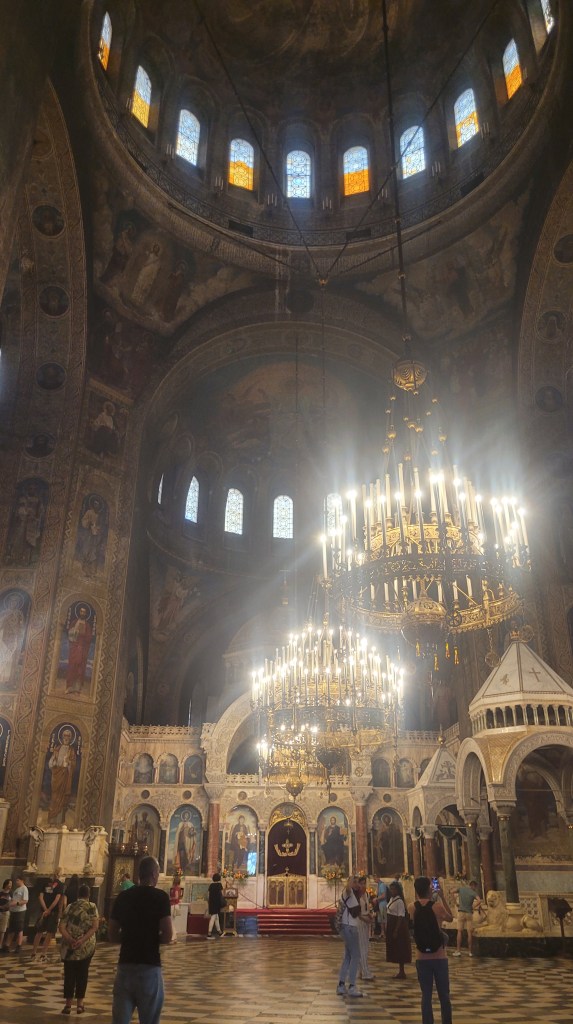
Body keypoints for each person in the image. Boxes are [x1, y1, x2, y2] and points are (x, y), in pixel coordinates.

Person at [108, 855, 172, 1024]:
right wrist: (150, 939)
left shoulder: (123, 897)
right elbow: (168, 934)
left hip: (125, 965)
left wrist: (130, 938)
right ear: (154, 874)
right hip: (149, 966)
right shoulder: (160, 897)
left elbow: (112, 933)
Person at [408, 876, 454, 1024]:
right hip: (439, 956)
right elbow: (451, 918)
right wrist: (442, 897)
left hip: (421, 956)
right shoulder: (437, 907)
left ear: (416, 890)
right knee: (444, 995)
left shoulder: (411, 907)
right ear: (429, 889)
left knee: (426, 995)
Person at [59, 883, 99, 1015]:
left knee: (69, 974)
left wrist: (70, 939)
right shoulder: (92, 907)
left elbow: (61, 927)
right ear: (88, 895)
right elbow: (94, 927)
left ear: (78, 894)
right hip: (86, 947)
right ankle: (80, 1005)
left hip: (69, 947)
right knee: (82, 974)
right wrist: (82, 940)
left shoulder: (70, 906)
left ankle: (68, 1005)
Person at [336, 877, 364, 998]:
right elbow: (348, 887)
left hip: (348, 927)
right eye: (355, 882)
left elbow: (356, 913)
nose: (357, 884)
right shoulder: (348, 891)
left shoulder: (354, 894)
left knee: (348, 956)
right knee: (356, 956)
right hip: (350, 928)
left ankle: (341, 985)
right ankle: (352, 986)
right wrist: (351, 880)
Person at [31, 869, 64, 961]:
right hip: (53, 912)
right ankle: (43, 954)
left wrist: (45, 909)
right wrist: (49, 910)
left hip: (43, 911)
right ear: (59, 874)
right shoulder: (60, 885)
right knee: (49, 933)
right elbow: (57, 899)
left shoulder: (45, 883)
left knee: (39, 932)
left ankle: (33, 953)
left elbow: (40, 897)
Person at [48, 728, 77, 824]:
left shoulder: (71, 750)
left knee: (62, 797)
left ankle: (60, 821)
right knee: (54, 797)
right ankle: (52, 819)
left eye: (68, 736)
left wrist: (68, 763)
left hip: (65, 775)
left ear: (71, 738)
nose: (66, 738)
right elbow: (51, 761)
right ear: (62, 737)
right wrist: (53, 763)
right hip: (56, 775)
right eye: (65, 735)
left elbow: (73, 764)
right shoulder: (57, 748)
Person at [386, 880, 412, 979]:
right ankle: (400, 970)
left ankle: (402, 971)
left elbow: (401, 916)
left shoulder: (399, 901)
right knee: (395, 947)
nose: (392, 891)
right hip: (391, 924)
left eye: (394, 889)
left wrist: (396, 930)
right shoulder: (392, 899)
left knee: (400, 948)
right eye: (391, 889)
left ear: (398, 890)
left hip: (398, 926)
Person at [1, 872, 29, 954]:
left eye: (17, 880)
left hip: (20, 911)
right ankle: (7, 946)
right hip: (13, 911)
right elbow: (12, 900)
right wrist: (7, 905)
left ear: (22, 880)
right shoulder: (17, 890)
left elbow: (25, 900)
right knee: (11, 929)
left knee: (19, 929)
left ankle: (19, 946)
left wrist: (16, 903)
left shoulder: (24, 888)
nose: (16, 882)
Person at [453, 879, 481, 958]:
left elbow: (452, 892)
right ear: (474, 886)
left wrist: (455, 902)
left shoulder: (462, 889)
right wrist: (473, 907)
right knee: (469, 933)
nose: (475, 888)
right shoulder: (473, 893)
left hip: (461, 912)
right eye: (475, 887)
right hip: (469, 913)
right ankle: (470, 952)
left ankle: (458, 951)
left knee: (459, 931)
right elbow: (479, 901)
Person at [356, 876, 375, 980]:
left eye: (364, 883)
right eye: (361, 883)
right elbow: (357, 913)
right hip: (359, 922)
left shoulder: (366, 894)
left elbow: (366, 909)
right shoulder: (356, 896)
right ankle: (365, 972)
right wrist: (365, 919)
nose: (363, 885)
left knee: (365, 946)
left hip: (366, 921)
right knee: (362, 947)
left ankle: (361, 971)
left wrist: (370, 915)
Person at [207, 872, 224, 938]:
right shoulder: (219, 885)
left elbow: (208, 895)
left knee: (216, 917)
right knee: (213, 917)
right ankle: (209, 932)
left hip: (211, 902)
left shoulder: (211, 885)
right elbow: (222, 894)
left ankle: (219, 931)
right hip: (217, 903)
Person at [0, 879, 12, 947]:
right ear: (6, 884)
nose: (10, 885)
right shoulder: (1, 893)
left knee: (3, 930)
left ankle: (0, 944)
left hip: (6, 913)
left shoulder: (11, 893)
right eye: (9, 883)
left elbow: (12, 902)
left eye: (11, 884)